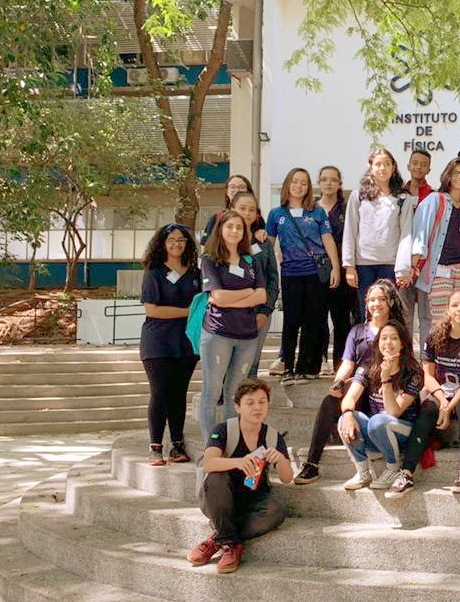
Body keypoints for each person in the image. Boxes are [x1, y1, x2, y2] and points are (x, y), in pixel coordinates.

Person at [293, 279, 409, 485]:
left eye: (381, 299)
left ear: (390, 302)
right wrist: (338, 382)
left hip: (389, 390)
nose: (376, 304)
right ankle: (311, 463)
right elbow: (348, 363)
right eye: (371, 300)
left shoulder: (398, 330)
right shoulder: (357, 331)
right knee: (331, 401)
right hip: (362, 387)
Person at [189, 379, 292, 574]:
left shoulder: (272, 436)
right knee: (216, 477)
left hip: (251, 499)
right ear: (237, 407)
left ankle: (220, 538)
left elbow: (287, 478)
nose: (257, 407)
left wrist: (280, 459)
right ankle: (229, 543)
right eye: (250, 402)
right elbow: (209, 463)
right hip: (218, 498)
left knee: (277, 511)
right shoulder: (224, 430)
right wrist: (238, 461)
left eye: (262, 402)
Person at [409, 289, 460, 495]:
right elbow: (427, 376)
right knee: (428, 407)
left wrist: (449, 406)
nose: (459, 309)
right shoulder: (436, 334)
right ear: (448, 309)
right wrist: (441, 401)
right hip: (440, 393)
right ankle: (406, 472)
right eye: (455, 305)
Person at [197, 210, 267, 440]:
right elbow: (217, 298)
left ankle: (231, 442)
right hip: (218, 334)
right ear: (220, 230)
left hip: (247, 336)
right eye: (230, 227)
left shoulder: (251, 260)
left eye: (239, 227)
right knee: (211, 389)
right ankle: (212, 446)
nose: (235, 231)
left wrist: (236, 296)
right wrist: (247, 292)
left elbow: (262, 297)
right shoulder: (210, 260)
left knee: (234, 393)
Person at [337, 319, 425, 491]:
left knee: (379, 421)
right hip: (376, 431)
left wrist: (386, 379)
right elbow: (349, 398)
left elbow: (394, 412)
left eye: (394, 338)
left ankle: (393, 469)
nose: (388, 343)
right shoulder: (368, 367)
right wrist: (348, 414)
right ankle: (363, 471)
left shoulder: (413, 372)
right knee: (346, 418)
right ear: (377, 343)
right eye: (384, 338)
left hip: (401, 431)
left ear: (402, 344)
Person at [139, 223, 201, 465]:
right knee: (160, 392)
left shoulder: (195, 273)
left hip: (186, 343)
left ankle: (177, 444)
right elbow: (152, 309)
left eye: (182, 240)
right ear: (162, 244)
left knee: (179, 394)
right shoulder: (153, 271)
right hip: (158, 342)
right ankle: (155, 446)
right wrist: (188, 312)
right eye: (172, 240)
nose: (177, 244)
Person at [267, 173, 336, 382]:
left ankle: (306, 368)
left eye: (303, 183)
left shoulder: (317, 212)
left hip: (316, 273)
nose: (299, 186)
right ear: (287, 184)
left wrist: (336, 268)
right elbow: (269, 245)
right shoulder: (276, 213)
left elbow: (328, 240)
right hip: (290, 274)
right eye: (295, 182)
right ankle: (287, 366)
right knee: (291, 320)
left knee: (312, 321)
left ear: (309, 187)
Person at [342, 148, 415, 318]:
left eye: (387, 164)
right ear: (371, 167)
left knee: (388, 312)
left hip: (390, 264)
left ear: (393, 168)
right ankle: (366, 345)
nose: (382, 168)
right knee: (366, 313)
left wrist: (403, 268)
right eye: (378, 164)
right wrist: (349, 265)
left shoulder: (403, 198)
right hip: (363, 264)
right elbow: (350, 231)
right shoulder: (358, 196)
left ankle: (386, 345)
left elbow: (406, 234)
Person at [410, 158, 460, 347]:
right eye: (456, 173)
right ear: (448, 176)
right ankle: (435, 362)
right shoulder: (435, 199)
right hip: (439, 269)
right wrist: (414, 264)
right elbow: (420, 233)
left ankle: (455, 360)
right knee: (440, 319)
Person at [232, 193, 281, 384]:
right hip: (230, 314)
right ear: (232, 210)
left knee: (250, 367)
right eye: (242, 208)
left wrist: (265, 311)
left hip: (260, 313)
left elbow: (272, 279)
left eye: (252, 210)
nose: (247, 213)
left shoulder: (262, 241)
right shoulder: (223, 241)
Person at [315, 165, 355, 376]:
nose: (328, 183)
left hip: (342, 272)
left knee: (341, 320)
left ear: (340, 183)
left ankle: (341, 364)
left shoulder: (347, 209)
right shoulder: (311, 209)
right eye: (324, 179)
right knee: (318, 319)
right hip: (316, 272)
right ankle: (319, 359)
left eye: (333, 179)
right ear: (319, 183)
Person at [199, 174, 267, 245]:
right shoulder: (217, 218)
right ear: (227, 191)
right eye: (232, 187)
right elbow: (206, 245)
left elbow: (264, 241)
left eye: (241, 187)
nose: (237, 190)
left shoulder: (257, 218)